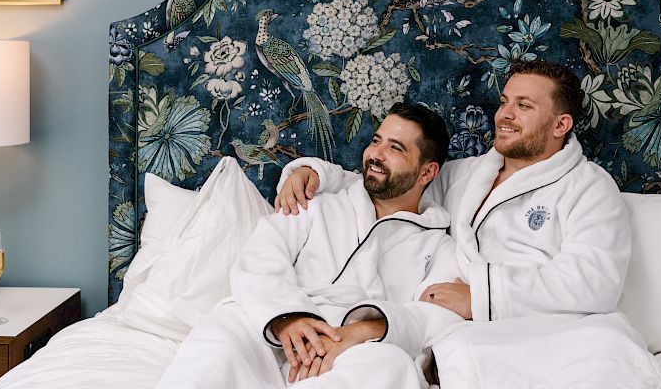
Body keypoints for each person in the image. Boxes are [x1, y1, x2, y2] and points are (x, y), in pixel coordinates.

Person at [276, 60, 661, 389]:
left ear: (561, 125)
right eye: (506, 101)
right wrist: (313, 172)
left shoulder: (589, 186)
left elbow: (594, 282)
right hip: (467, 336)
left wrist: (481, 297)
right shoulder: (466, 175)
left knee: (599, 362)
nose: (505, 115)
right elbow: (394, 183)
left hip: (554, 329)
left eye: (524, 106)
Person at [155, 102, 463, 389]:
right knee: (219, 335)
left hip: (350, 348)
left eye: (395, 148)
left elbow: (439, 317)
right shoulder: (314, 204)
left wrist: (363, 330)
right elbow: (260, 259)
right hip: (272, 326)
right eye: (376, 141)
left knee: (391, 366)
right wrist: (288, 317)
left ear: (427, 172)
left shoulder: (438, 246)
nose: (375, 154)